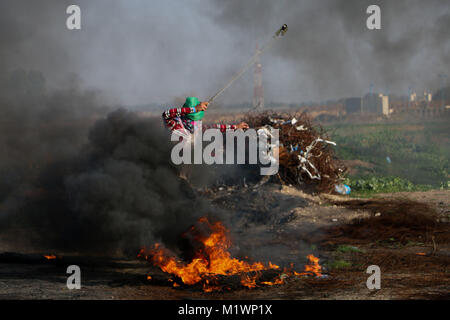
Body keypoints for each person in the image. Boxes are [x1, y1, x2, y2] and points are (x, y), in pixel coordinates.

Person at [162, 97, 248, 138]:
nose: (194, 122)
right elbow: (166, 114)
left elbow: (215, 128)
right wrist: (194, 109)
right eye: (193, 119)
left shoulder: (196, 127)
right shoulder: (174, 122)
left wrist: (236, 127)